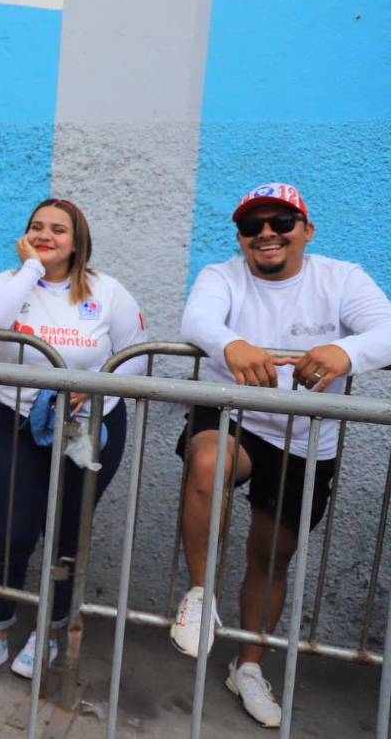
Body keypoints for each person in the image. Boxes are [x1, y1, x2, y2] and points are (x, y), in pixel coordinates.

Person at [171, 183, 391, 728]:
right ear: (242, 239)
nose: (267, 233)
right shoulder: (222, 275)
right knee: (206, 461)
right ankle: (200, 594)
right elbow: (196, 320)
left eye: (281, 222)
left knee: (271, 557)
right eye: (253, 225)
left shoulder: (342, 278)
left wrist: (346, 351)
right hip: (235, 419)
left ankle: (247, 666)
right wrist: (231, 345)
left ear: (306, 232)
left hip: (306, 440)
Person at [0, 198, 147, 684]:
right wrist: (31, 268)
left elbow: (137, 357)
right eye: (37, 228)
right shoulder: (6, 283)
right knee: (12, 531)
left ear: (78, 239)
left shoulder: (108, 293)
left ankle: (49, 631)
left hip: (89, 428)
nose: (46, 236)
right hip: (21, 423)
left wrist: (100, 384)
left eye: (58, 230)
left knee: (68, 535)